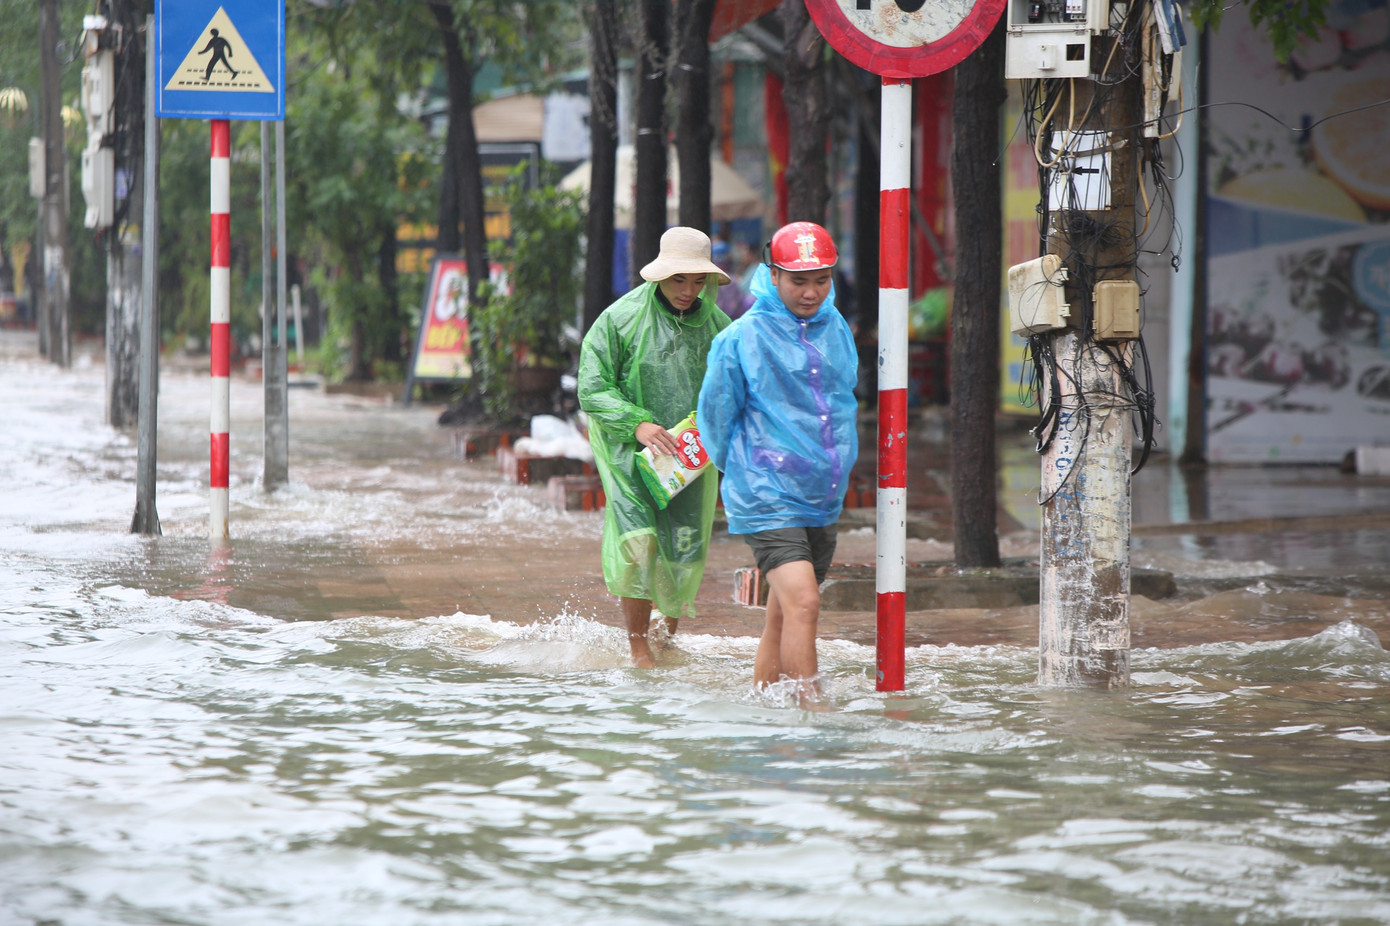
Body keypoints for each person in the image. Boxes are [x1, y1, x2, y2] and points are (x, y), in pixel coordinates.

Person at [696, 221, 859, 706]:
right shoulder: (741, 337)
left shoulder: (836, 328)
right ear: (773, 274)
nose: (811, 292)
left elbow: (842, 401)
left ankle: (765, 710)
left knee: (784, 613)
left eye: (821, 279)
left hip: (822, 492)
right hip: (766, 493)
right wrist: (749, 472)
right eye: (798, 280)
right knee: (805, 603)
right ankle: (811, 715)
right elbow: (715, 417)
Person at [578, 227, 732, 668]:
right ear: (660, 275)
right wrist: (637, 424)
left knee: (682, 546)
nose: (688, 291)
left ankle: (664, 636)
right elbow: (593, 387)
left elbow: (734, 387)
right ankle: (638, 648)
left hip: (690, 457)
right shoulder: (620, 319)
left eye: (698, 281)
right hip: (629, 451)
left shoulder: (719, 328)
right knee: (639, 543)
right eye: (679, 279)